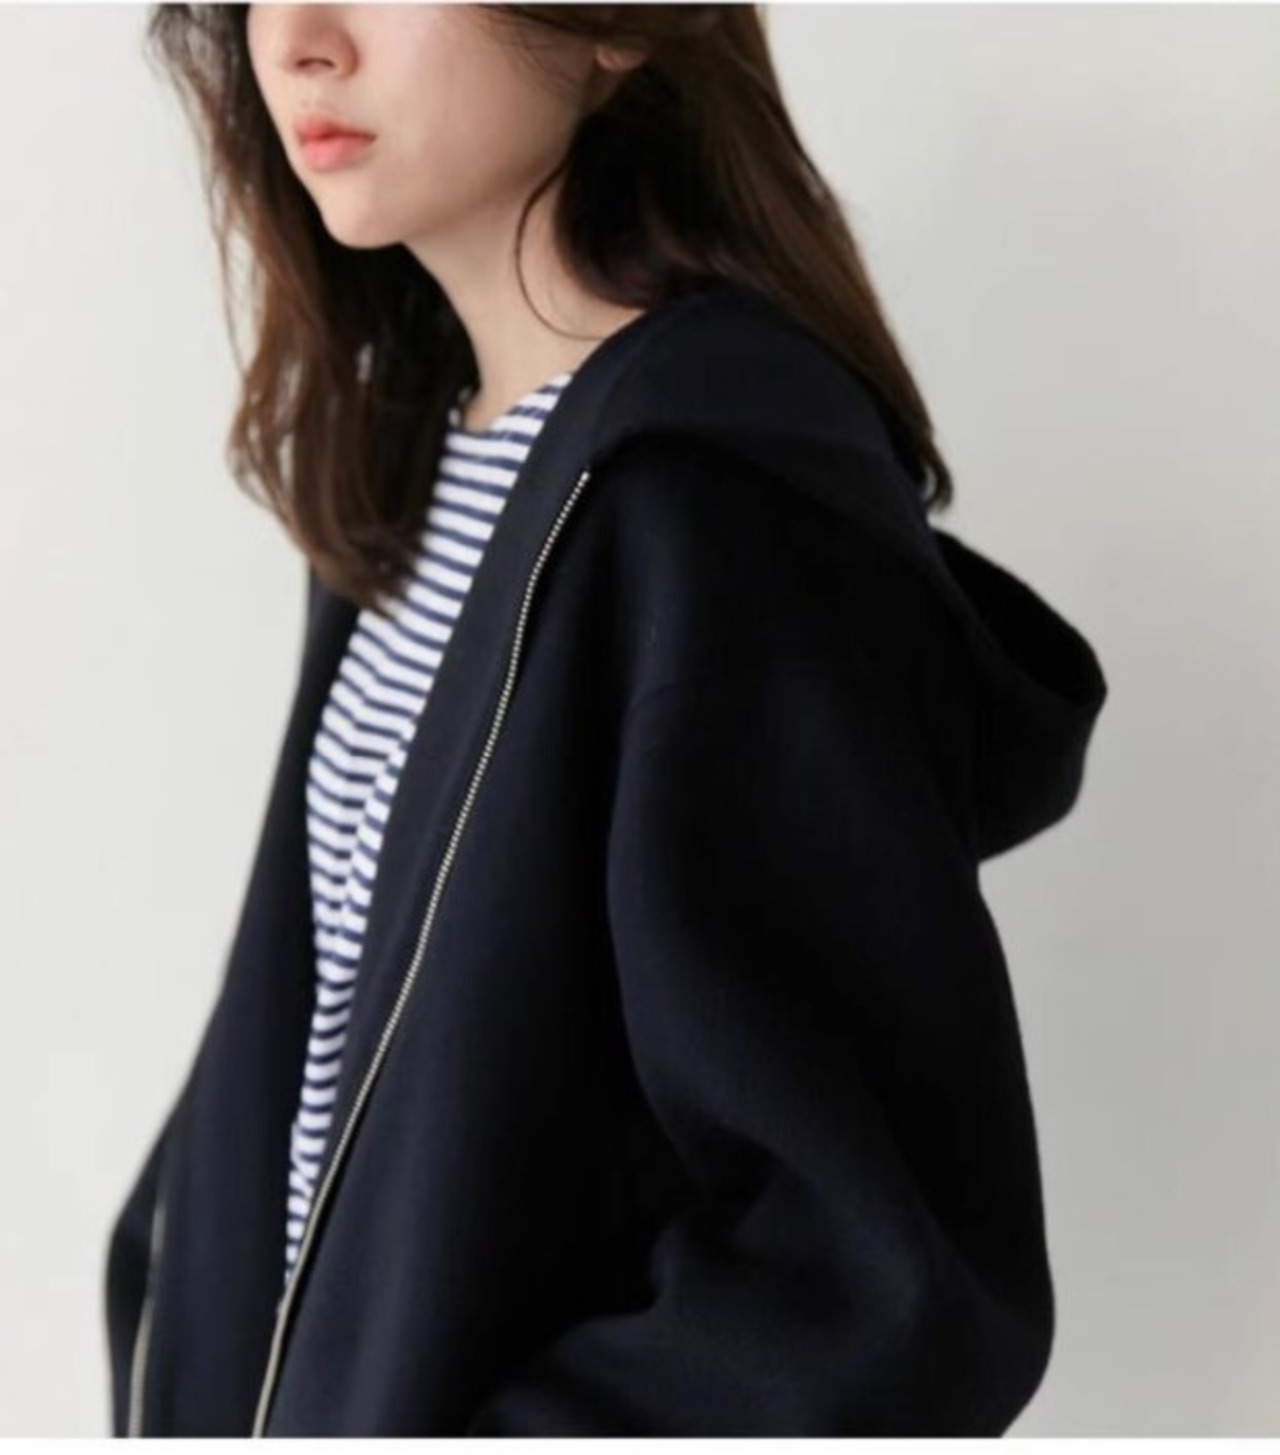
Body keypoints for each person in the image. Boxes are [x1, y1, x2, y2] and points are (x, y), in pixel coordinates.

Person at [105, 3, 1108, 1437]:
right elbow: (325, 1069)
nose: (300, 40)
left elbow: (879, 1288)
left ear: (616, 27)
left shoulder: (708, 514)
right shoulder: (418, 472)